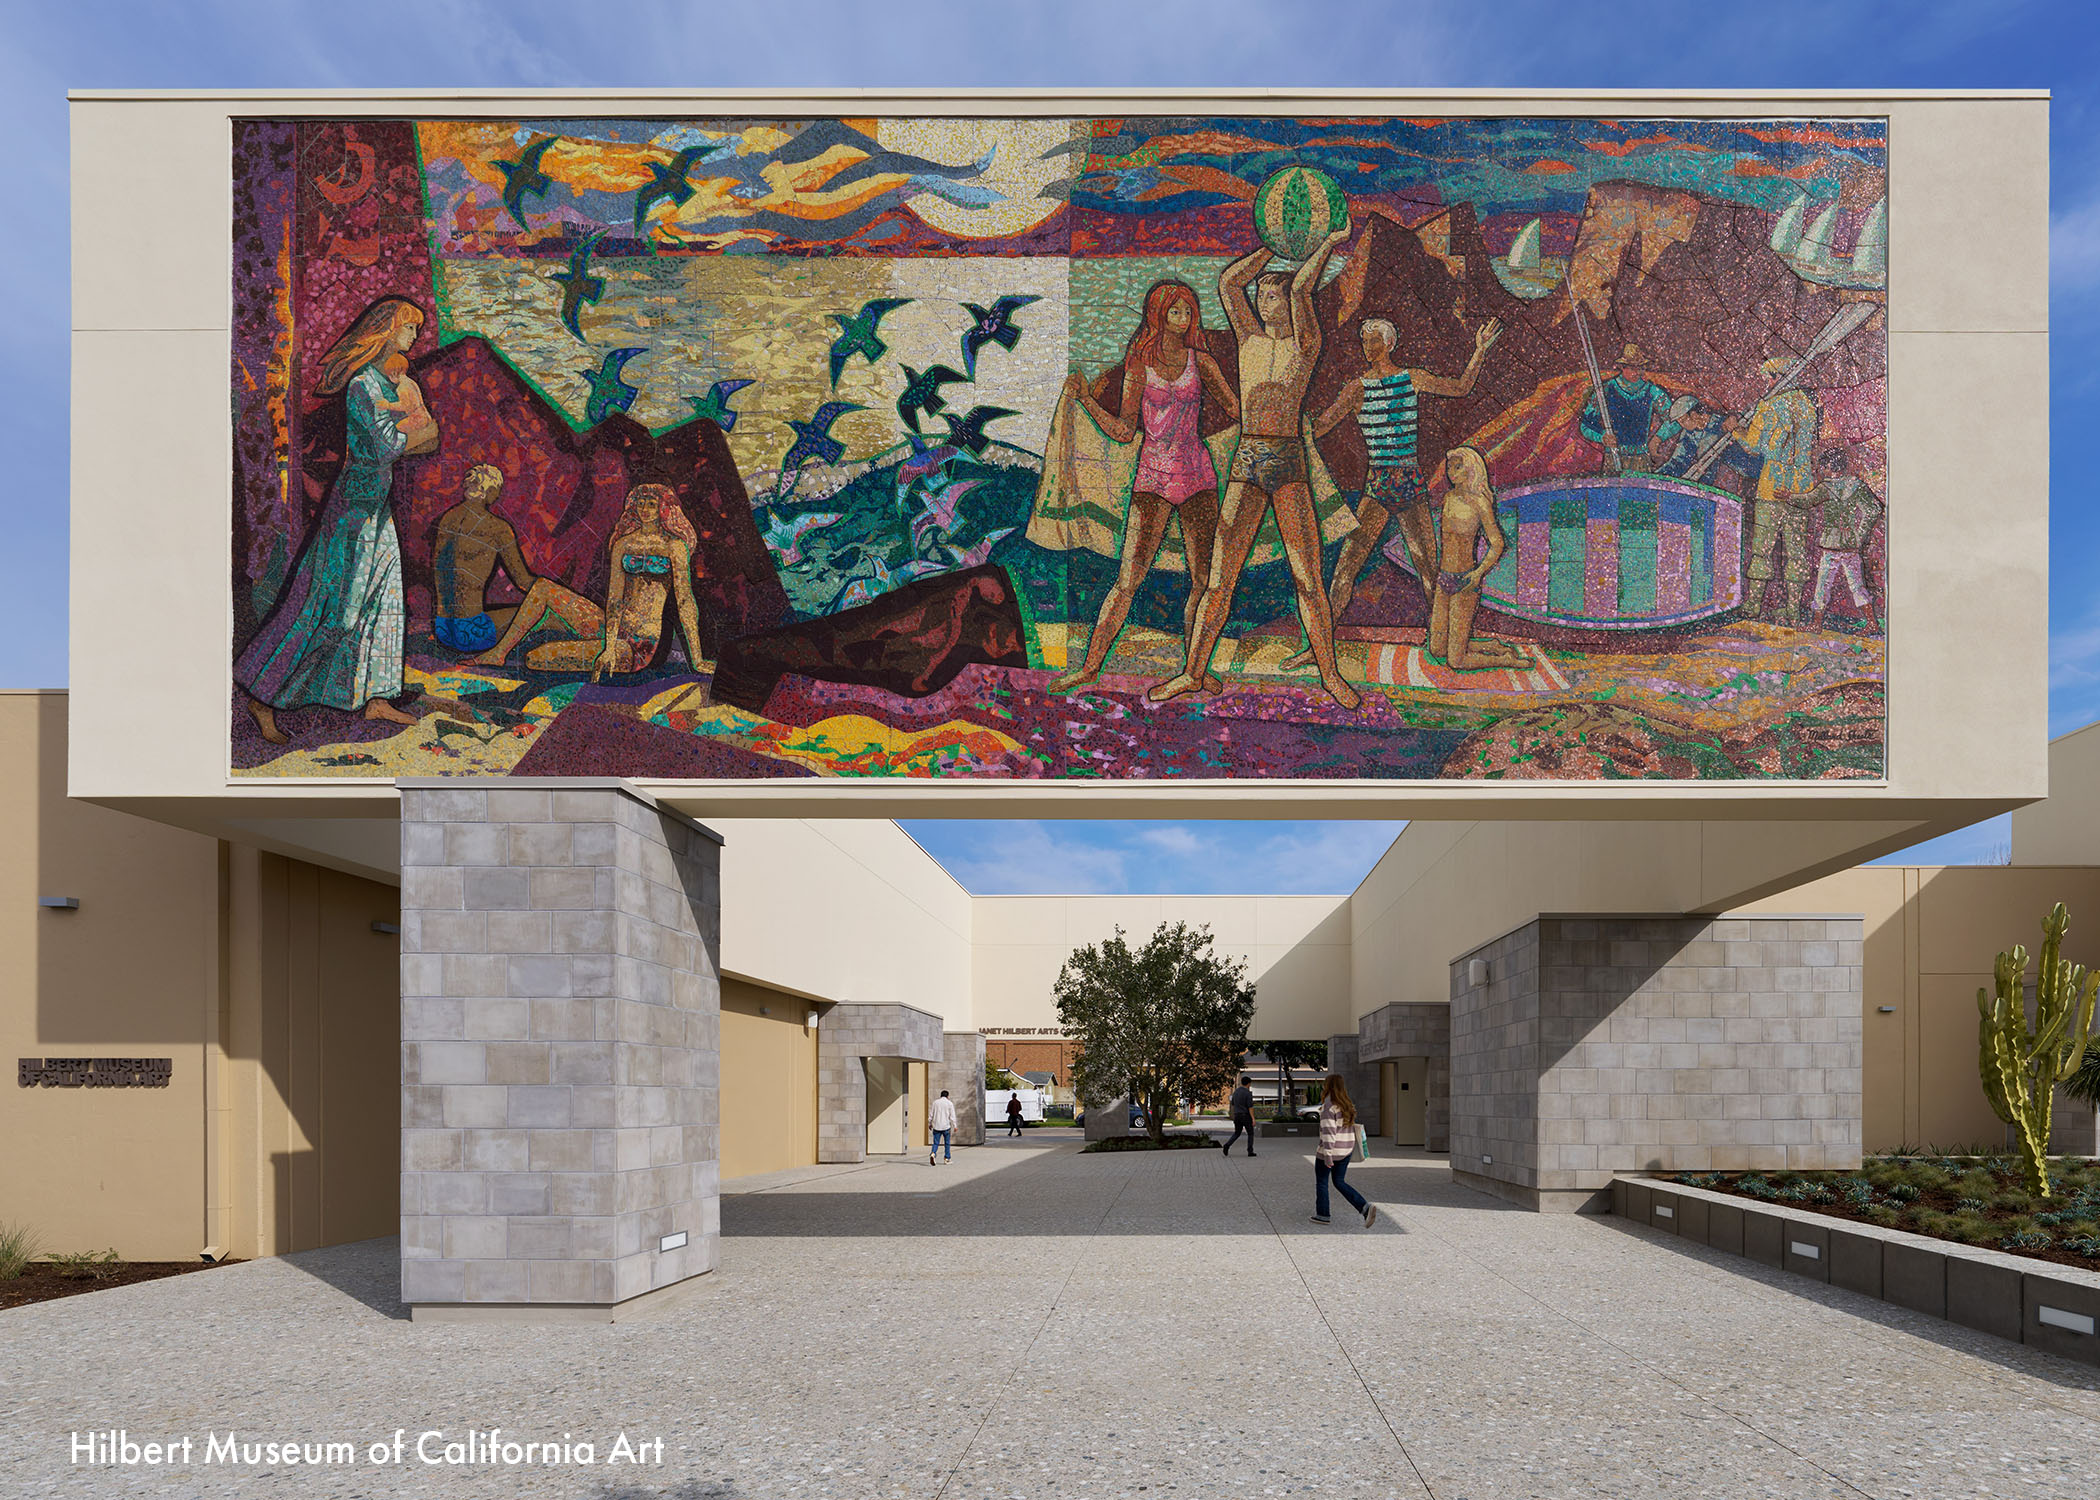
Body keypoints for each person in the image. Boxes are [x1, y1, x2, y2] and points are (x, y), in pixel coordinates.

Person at [1151, 226, 1361, 710]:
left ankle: (1330, 674)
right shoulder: (1248, 339)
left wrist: (1324, 243)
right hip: (1249, 459)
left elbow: (1306, 287)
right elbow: (1228, 283)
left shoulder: (1306, 344)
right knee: (1220, 578)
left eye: (1275, 295)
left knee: (1307, 576)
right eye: (1263, 294)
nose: (1267, 302)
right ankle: (1192, 672)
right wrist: (1270, 240)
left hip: (1287, 459)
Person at [236, 297, 436, 744]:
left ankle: (377, 695)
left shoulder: (395, 384)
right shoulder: (364, 386)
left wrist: (409, 417)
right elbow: (386, 450)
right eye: (409, 327)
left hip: (376, 504)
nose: (415, 336)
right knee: (330, 607)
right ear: (386, 331)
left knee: (384, 598)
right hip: (352, 510)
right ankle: (262, 695)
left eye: (417, 328)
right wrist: (412, 413)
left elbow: (430, 438)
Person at [1054, 280, 1237, 693]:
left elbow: (1235, 408)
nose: (1183, 318)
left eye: (1188, 311)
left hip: (1198, 476)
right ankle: (1090, 667)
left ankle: (1195, 668)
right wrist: (1084, 398)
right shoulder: (1138, 365)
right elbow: (1123, 430)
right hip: (1152, 479)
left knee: (1204, 581)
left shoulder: (1201, 362)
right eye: (1175, 311)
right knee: (1127, 580)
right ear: (1158, 314)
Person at [1292, 314, 1502, 652]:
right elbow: (1319, 428)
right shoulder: (1356, 388)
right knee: (1347, 566)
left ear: (1389, 343)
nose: (1367, 347)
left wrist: (1479, 350)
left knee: (1428, 568)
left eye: (1374, 340)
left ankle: (1445, 643)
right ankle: (1318, 647)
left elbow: (1461, 387)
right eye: (1364, 341)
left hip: (1408, 482)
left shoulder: (1411, 378)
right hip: (1377, 484)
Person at [467, 483, 708, 679]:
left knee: (536, 658)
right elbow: (614, 598)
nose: (645, 509)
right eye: (640, 503)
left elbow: (685, 602)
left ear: (664, 509)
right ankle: (499, 652)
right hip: (610, 629)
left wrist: (696, 660)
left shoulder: (674, 547)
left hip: (639, 644)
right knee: (542, 587)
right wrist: (608, 646)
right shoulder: (624, 543)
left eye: (652, 504)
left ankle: (552, 621)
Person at [429, 465, 597, 658]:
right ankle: (590, 639)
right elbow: (523, 581)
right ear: (490, 491)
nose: (498, 497)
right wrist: (557, 593)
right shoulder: (498, 528)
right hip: (471, 633)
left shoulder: (447, 520)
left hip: (443, 629)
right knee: (545, 616)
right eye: (497, 491)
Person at [1728, 356, 1822, 624]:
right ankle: (1793, 610)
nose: (1765, 382)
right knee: (1796, 551)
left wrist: (1735, 430)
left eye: (1768, 377)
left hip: (1772, 489)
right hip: (1801, 489)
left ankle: (1753, 606)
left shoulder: (1768, 406)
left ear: (1777, 377)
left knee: (1762, 549)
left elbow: (1754, 446)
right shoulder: (1807, 406)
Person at [1428, 448, 1527, 671]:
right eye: (1449, 467)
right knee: (1437, 649)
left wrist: (1478, 572)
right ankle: (1490, 645)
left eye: (1458, 467)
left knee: (1457, 661)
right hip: (1444, 578)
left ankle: (1504, 660)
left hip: (1466, 581)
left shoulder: (1480, 503)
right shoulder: (1448, 498)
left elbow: (1498, 543)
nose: (1451, 473)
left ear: (1471, 469)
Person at [1804, 446, 1882, 629]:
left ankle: (1816, 624)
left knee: (1823, 585)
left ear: (1831, 466)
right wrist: (1860, 534)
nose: (1822, 470)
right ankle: (1872, 623)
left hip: (1832, 543)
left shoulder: (1827, 486)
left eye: (1824, 466)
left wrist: (1788, 496)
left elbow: (1807, 500)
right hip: (1850, 543)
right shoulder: (1856, 484)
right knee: (1857, 585)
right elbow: (1874, 509)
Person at [1578, 343, 1677, 475]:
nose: (1637, 372)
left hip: (1640, 460)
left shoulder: (1652, 391)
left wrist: (1656, 440)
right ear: (1622, 367)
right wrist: (1601, 437)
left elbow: (1675, 419)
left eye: (1640, 368)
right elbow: (1585, 425)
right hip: (1613, 457)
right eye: (1632, 368)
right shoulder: (1606, 390)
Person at [1312, 1072, 1375, 1226]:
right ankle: (1364, 1207)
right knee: (1339, 1181)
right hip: (1346, 1151)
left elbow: (1328, 1133)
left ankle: (1323, 1215)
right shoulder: (1347, 1105)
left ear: (1328, 1087)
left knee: (1322, 1182)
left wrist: (1327, 1155)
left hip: (1330, 1152)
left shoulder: (1329, 1107)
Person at [1223, 1074, 1257, 1157]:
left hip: (1237, 1115)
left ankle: (1227, 1145)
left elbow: (1233, 1104)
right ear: (1248, 1084)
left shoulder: (1236, 1092)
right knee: (1250, 1133)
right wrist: (1253, 1119)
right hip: (1245, 1115)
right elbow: (1250, 1107)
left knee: (1237, 1133)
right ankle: (1250, 1151)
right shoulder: (1248, 1093)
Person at [929, 1088, 957, 1166]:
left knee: (936, 1143)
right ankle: (947, 1159)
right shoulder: (949, 1103)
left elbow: (931, 1114)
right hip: (946, 1126)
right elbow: (952, 1116)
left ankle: (933, 1153)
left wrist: (930, 1123)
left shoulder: (935, 1103)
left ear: (940, 1095)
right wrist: (955, 1125)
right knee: (947, 1143)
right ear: (947, 1096)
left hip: (936, 1126)